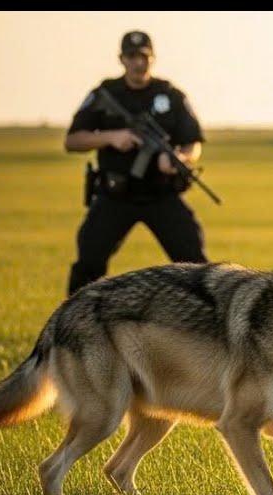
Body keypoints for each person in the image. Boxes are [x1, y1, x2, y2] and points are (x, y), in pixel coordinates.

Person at [63, 30, 208, 296]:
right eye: (132, 56)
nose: (138, 62)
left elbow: (192, 142)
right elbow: (72, 141)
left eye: (144, 56)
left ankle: (202, 332)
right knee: (89, 265)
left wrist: (179, 159)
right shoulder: (106, 93)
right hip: (115, 196)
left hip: (161, 194)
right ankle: (70, 328)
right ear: (122, 59)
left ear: (152, 59)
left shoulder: (171, 95)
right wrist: (111, 137)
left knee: (195, 267)